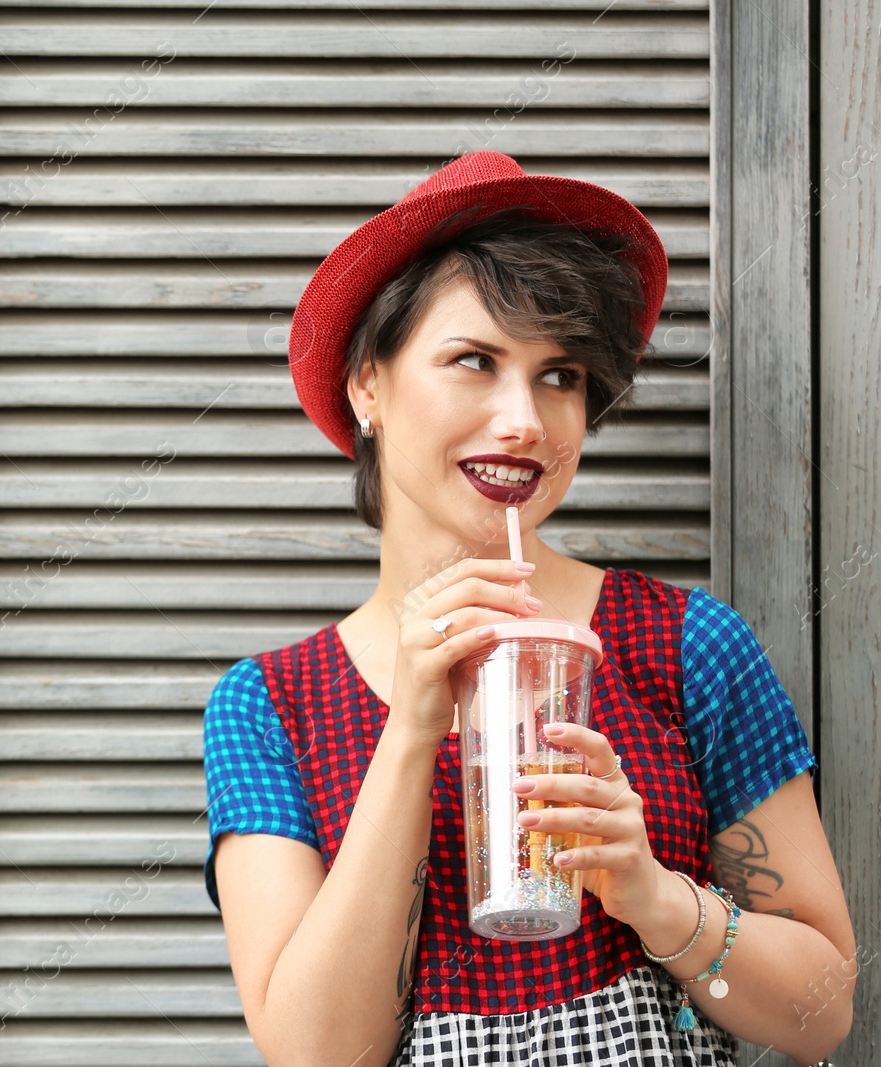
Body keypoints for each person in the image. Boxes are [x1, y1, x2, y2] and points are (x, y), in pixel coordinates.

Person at [201, 151, 856, 1067]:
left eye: (561, 375)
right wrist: (413, 729)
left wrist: (653, 894)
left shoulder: (688, 646)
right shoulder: (269, 705)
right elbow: (317, 1056)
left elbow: (824, 1012)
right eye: (475, 360)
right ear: (368, 385)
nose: (526, 421)